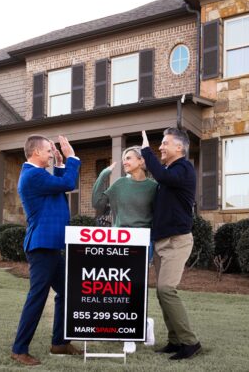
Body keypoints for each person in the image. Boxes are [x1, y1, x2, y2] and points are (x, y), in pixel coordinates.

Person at [11, 135, 82, 366]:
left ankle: (60, 343)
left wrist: (61, 165)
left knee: (67, 292)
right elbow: (68, 185)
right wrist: (71, 158)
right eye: (49, 151)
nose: (52, 154)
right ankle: (19, 349)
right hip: (42, 246)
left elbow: (58, 190)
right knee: (37, 297)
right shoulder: (33, 175)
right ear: (36, 153)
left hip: (51, 246)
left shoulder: (39, 175)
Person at [141, 127, 202, 360]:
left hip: (177, 241)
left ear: (180, 147)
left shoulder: (183, 168)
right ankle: (175, 340)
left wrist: (146, 151)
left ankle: (190, 342)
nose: (160, 147)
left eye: (165, 143)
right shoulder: (168, 172)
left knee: (167, 289)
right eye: (159, 144)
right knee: (161, 292)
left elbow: (162, 176)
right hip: (161, 241)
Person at [91, 145, 158, 353]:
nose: (125, 161)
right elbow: (97, 203)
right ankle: (141, 325)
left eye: (129, 158)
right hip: (119, 240)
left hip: (142, 241)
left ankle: (134, 330)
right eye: (124, 158)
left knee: (136, 287)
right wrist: (103, 175)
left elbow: (158, 216)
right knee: (120, 287)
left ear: (141, 161)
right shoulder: (119, 184)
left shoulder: (153, 187)